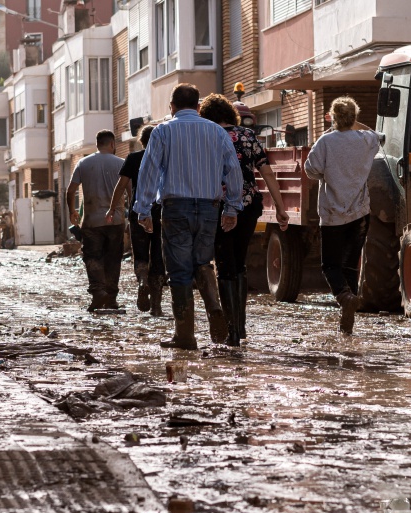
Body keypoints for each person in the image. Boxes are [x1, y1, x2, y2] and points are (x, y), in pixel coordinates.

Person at [134, 83, 244, 350]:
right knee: (203, 261)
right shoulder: (217, 132)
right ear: (198, 107)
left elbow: (148, 171)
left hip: (175, 209)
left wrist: (143, 209)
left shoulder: (163, 131)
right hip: (209, 208)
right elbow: (233, 171)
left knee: (180, 271)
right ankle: (214, 306)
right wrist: (232, 208)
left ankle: (185, 335)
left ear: (171, 107)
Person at [197, 95, 290, 346]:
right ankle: (240, 327)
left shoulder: (206, 136)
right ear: (230, 113)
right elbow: (267, 172)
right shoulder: (248, 136)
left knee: (224, 263)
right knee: (239, 262)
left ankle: (231, 330)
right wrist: (280, 208)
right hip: (248, 206)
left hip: (217, 206)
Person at [303, 96, 379, 335]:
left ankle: (344, 297)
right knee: (350, 265)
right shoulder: (367, 139)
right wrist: (354, 124)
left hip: (333, 215)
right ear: (354, 117)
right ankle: (348, 317)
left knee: (330, 265)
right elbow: (377, 135)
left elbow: (310, 170)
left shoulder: (325, 142)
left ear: (332, 117)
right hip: (360, 213)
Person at [105, 125, 164, 316]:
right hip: (161, 212)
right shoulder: (164, 156)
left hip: (139, 211)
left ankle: (142, 281)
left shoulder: (133, 158)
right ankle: (156, 306)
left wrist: (112, 208)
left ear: (141, 141)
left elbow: (121, 185)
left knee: (140, 255)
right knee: (158, 256)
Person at [65, 130, 126, 311]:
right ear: (112, 144)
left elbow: (70, 190)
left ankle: (98, 292)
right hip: (115, 220)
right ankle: (112, 299)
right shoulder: (122, 163)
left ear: (97, 144)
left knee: (92, 256)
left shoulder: (84, 163)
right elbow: (130, 191)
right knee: (113, 259)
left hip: (91, 221)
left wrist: (72, 211)